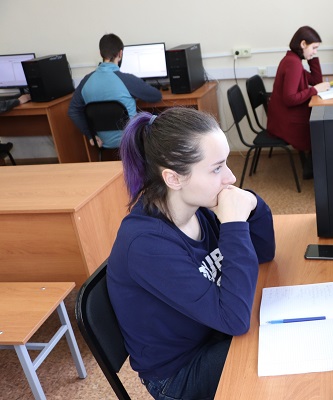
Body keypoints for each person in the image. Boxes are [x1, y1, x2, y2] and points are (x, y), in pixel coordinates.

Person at [107, 107, 275, 400]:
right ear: (174, 178)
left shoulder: (198, 208)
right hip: (179, 374)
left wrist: (252, 203)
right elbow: (235, 320)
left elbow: (264, 252)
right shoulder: (147, 245)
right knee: (275, 352)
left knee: (280, 335)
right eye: (216, 168)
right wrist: (234, 225)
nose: (231, 177)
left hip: (213, 331)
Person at [68, 33, 162, 150]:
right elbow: (156, 96)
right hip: (130, 141)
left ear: (101, 53)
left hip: (102, 142)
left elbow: (73, 111)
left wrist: (91, 135)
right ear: (120, 53)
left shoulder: (85, 81)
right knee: (155, 117)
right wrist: (135, 95)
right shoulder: (127, 80)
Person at [267, 26, 330, 179]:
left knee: (322, 125)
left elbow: (315, 80)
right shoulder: (293, 63)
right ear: (303, 44)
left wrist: (312, 58)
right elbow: (290, 99)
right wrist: (315, 90)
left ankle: (312, 167)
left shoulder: (293, 59)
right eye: (314, 48)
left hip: (281, 118)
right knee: (323, 130)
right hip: (287, 123)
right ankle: (312, 171)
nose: (315, 51)